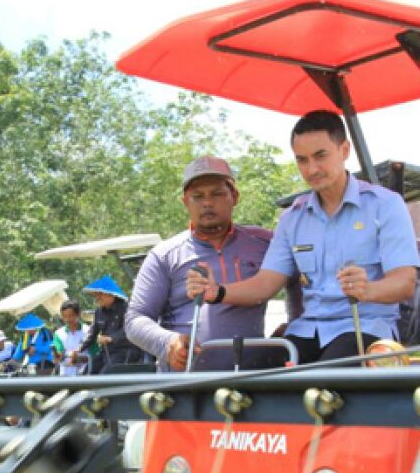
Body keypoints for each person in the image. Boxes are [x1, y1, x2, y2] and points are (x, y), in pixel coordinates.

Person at [187, 111, 419, 363]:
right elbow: (266, 283)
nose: (312, 169)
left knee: (322, 379)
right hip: (306, 331)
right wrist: (217, 292)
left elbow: (405, 282)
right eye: (302, 160)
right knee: (251, 375)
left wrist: (368, 289)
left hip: (365, 328)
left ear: (344, 150)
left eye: (320, 156)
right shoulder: (292, 217)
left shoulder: (385, 205)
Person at [127, 155, 299, 371]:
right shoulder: (164, 255)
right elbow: (135, 319)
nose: (207, 203)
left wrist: (294, 327)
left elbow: (302, 282)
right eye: (198, 196)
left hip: (253, 381)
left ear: (234, 196)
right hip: (184, 384)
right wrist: (167, 341)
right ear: (185, 202)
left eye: (217, 193)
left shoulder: (266, 242)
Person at [79, 275, 142, 373]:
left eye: (100, 294)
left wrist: (111, 338)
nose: (97, 297)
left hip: (126, 351)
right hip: (106, 352)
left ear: (111, 295)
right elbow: (91, 334)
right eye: (95, 294)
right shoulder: (98, 312)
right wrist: (79, 348)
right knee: (86, 373)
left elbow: (131, 329)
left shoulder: (128, 308)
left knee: (105, 375)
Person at [51, 300, 93, 376]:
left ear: (78, 314)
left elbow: (94, 354)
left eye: (71, 315)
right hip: (65, 375)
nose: (68, 319)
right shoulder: (58, 334)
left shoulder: (89, 331)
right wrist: (57, 356)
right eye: (65, 316)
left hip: (86, 374)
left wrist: (78, 358)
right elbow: (59, 353)